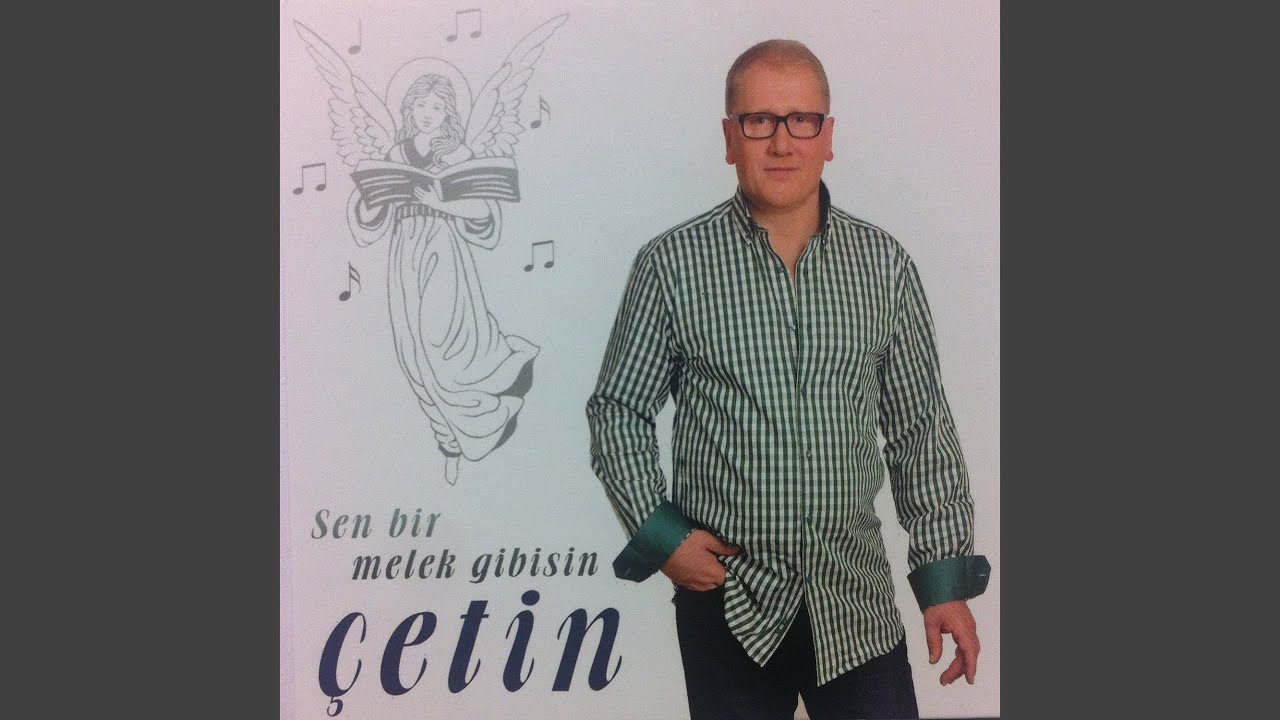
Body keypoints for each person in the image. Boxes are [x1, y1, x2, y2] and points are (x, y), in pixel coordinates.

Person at [585, 40, 990, 720]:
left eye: (801, 120)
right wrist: (663, 538)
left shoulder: (884, 266)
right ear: (729, 138)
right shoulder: (671, 265)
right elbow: (618, 410)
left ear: (828, 137)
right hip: (728, 605)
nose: (781, 142)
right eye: (759, 121)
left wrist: (943, 581)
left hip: (855, 604)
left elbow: (920, 429)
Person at [348, 74, 538, 484]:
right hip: (405, 255)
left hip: (442, 252)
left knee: (440, 349)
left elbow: (483, 212)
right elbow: (369, 215)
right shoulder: (397, 152)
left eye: (436, 107)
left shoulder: (459, 152)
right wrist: (374, 197)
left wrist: (442, 202)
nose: (428, 114)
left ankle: (489, 423)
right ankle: (447, 443)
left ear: (448, 112)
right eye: (421, 106)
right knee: (411, 352)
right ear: (409, 109)